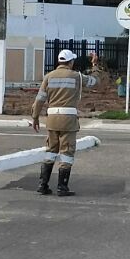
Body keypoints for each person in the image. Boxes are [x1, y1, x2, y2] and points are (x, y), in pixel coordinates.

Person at [31, 49, 98, 196]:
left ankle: (43, 185)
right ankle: (62, 187)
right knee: (66, 153)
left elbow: (40, 99)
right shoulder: (77, 77)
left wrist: (35, 117)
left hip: (52, 120)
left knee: (50, 152)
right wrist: (94, 65)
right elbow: (95, 81)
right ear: (70, 62)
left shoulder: (48, 77)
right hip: (68, 121)